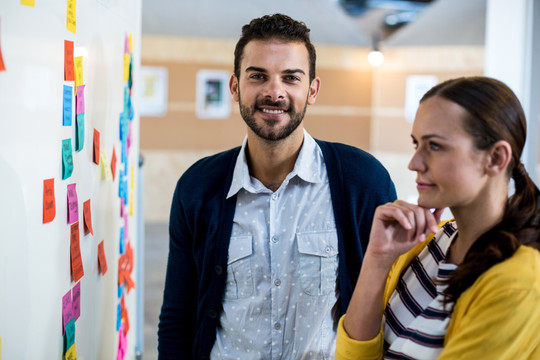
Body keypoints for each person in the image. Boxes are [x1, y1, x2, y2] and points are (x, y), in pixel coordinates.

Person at [157, 13, 397, 360]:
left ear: (311, 90)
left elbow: (387, 309)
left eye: (290, 78)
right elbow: (178, 317)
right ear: (235, 87)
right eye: (258, 76)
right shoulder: (197, 188)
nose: (274, 91)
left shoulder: (363, 183)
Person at [336, 76, 540, 360]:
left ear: (495, 159)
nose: (414, 163)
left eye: (434, 146)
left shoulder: (520, 282)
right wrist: (377, 258)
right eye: (416, 143)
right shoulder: (431, 240)